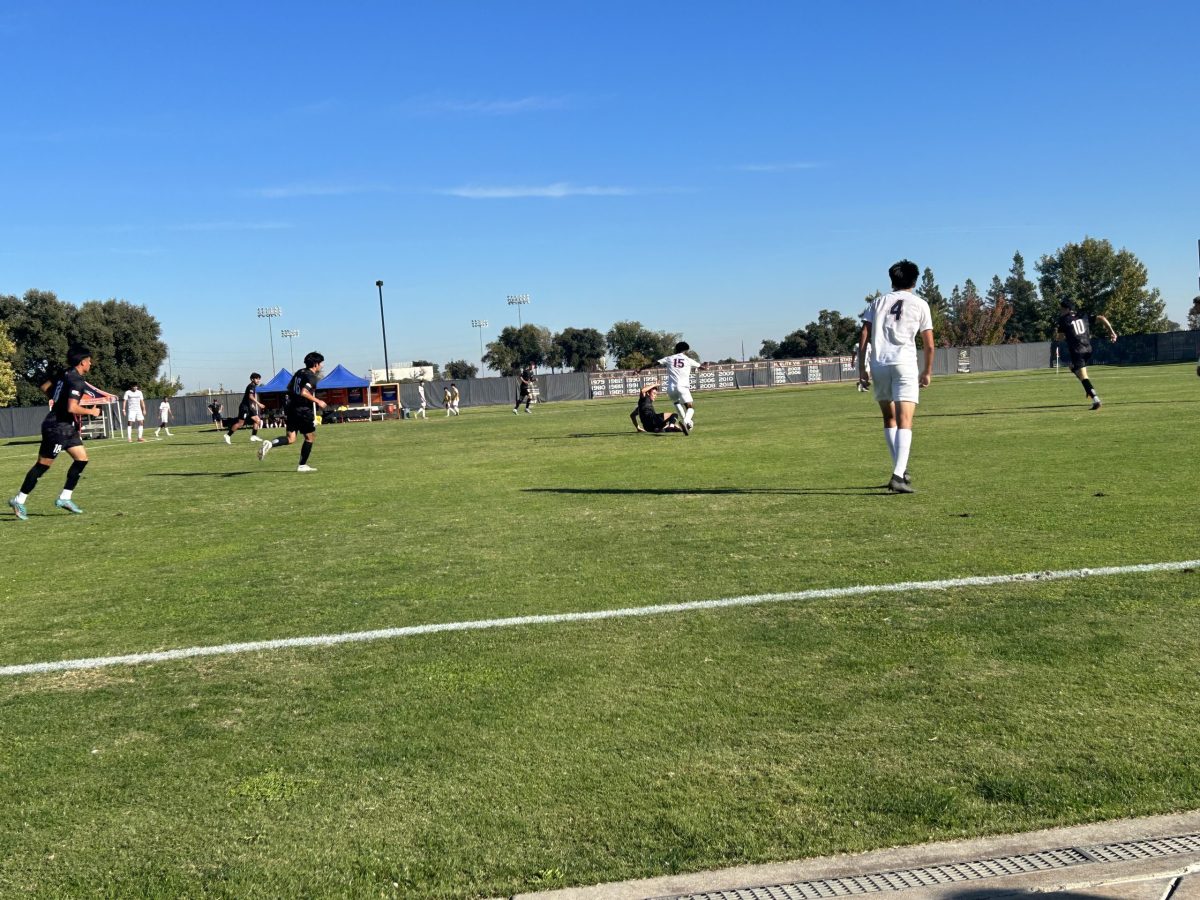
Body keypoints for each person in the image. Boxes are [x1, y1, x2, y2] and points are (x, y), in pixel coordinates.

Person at [858, 259, 935, 494]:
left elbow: (864, 336)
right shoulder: (920, 304)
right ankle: (898, 475)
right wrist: (927, 371)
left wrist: (862, 369)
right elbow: (929, 344)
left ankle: (899, 469)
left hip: (879, 363)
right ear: (914, 280)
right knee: (905, 420)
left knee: (889, 419)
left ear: (892, 279)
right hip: (904, 363)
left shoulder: (877, 303)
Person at [9, 346, 104, 519]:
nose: (91, 363)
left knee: (82, 459)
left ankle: (64, 498)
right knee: (42, 465)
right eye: (89, 360)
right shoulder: (77, 381)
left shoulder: (65, 373)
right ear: (82, 362)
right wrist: (92, 412)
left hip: (67, 427)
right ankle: (19, 500)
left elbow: (45, 386)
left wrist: (57, 399)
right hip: (56, 427)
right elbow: (72, 407)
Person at [257, 352, 327, 472]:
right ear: (316, 364)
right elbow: (304, 392)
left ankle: (270, 443)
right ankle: (302, 465)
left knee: (291, 438)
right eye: (321, 363)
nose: (322, 366)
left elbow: (290, 387)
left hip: (292, 408)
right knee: (310, 437)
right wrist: (318, 401)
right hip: (303, 410)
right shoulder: (312, 377)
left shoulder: (299, 372)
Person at [1056, 300, 1117, 410]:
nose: (1060, 311)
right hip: (1088, 349)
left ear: (1067, 309)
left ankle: (1096, 399)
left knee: (1084, 377)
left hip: (1077, 350)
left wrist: (1060, 335)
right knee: (1073, 368)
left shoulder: (1063, 320)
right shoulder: (1082, 315)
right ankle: (1088, 389)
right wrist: (1111, 332)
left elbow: (1060, 338)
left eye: (1061, 309)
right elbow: (1102, 318)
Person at [645, 341, 703, 435]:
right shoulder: (688, 359)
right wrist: (705, 366)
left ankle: (687, 423)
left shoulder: (669, 358)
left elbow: (654, 363)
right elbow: (701, 366)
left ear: (676, 349)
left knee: (676, 403)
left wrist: (640, 369)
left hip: (671, 388)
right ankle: (686, 421)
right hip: (683, 387)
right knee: (690, 407)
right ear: (686, 350)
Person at [224, 373, 265, 443]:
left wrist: (253, 405)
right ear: (252, 379)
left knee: (257, 420)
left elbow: (251, 398)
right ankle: (228, 435)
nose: (258, 380)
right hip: (244, 408)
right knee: (240, 423)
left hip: (250, 407)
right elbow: (250, 396)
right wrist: (259, 404)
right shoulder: (251, 386)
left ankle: (253, 436)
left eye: (259, 379)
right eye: (257, 379)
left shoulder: (253, 386)